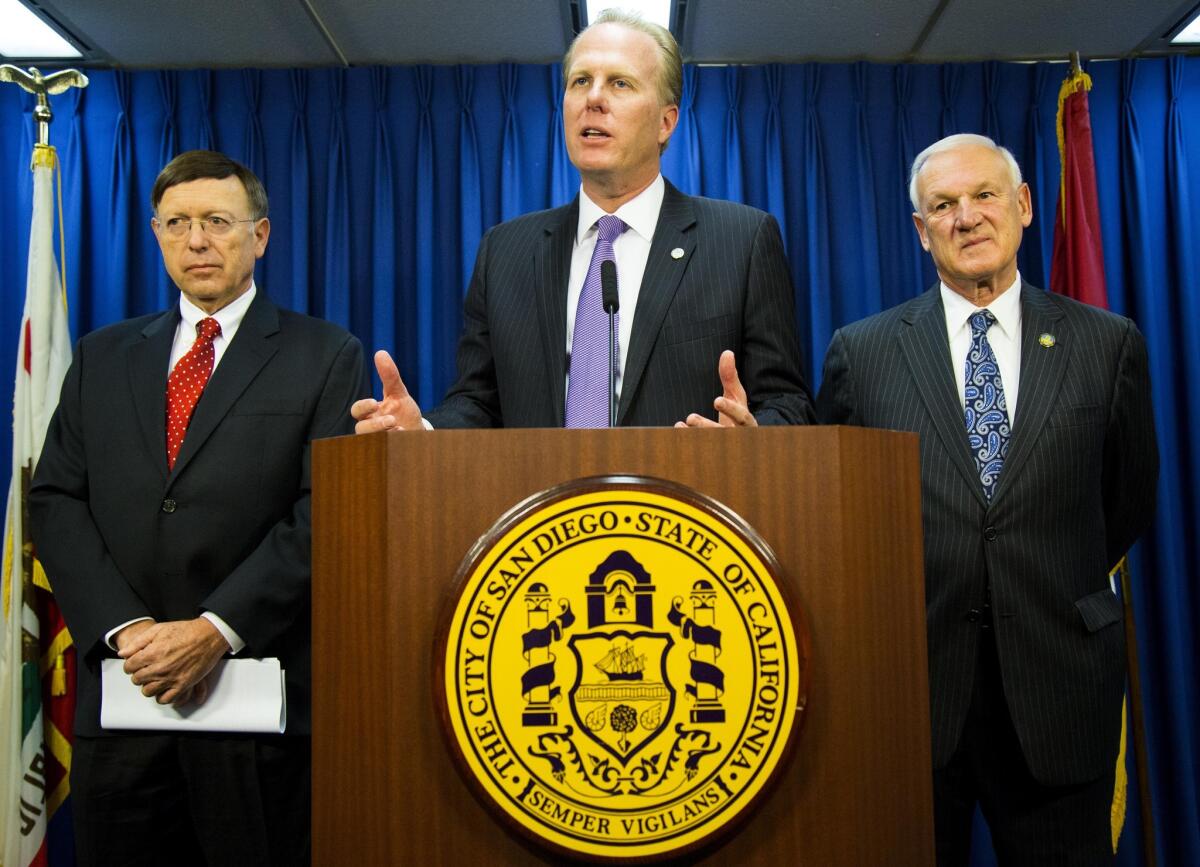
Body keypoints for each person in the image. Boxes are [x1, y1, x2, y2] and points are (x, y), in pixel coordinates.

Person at [817, 133, 1158, 865]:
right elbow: (839, 509)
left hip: (1059, 686)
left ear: (1024, 206)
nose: (966, 216)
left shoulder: (1106, 344)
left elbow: (1125, 500)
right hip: (911, 692)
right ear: (920, 229)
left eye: (983, 196)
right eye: (943, 204)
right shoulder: (863, 351)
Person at [29, 150, 364, 866]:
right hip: (123, 707)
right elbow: (56, 498)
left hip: (255, 719)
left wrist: (215, 628)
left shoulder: (325, 355)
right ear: (155, 233)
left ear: (261, 234)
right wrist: (127, 631)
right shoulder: (101, 356)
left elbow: (324, 512)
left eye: (217, 221)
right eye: (177, 223)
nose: (197, 241)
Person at [352, 9, 813, 433]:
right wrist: (421, 433)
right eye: (580, 81)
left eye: (620, 84)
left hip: (680, 514)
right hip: (545, 518)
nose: (593, 98)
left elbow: (788, 403)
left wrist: (749, 435)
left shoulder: (741, 241)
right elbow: (478, 403)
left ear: (666, 123)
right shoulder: (505, 252)